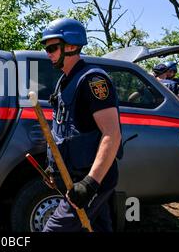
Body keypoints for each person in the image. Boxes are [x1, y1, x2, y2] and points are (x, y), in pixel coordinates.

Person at [40, 18, 123, 232]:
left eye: (51, 47)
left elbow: (111, 135)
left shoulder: (93, 80)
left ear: (71, 46)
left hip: (93, 178)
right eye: (45, 48)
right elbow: (62, 130)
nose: (47, 53)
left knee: (54, 229)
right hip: (74, 177)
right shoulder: (65, 81)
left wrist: (90, 183)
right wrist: (53, 168)